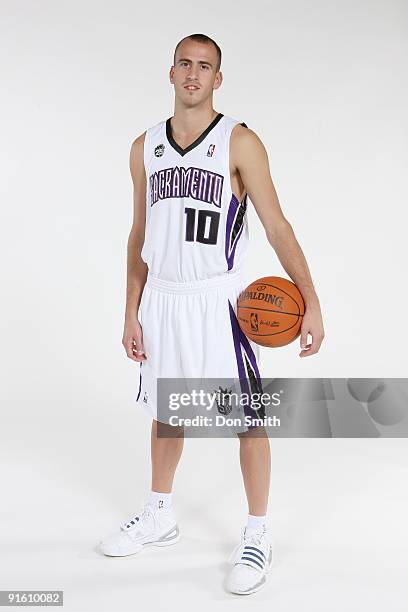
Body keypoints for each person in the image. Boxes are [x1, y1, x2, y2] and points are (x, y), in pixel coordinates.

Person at [98, 33, 325, 595]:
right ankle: (160, 514)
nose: (194, 75)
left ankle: (257, 531)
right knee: (167, 412)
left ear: (218, 79)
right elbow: (138, 235)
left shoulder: (239, 142)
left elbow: (276, 226)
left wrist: (311, 300)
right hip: (164, 298)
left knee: (247, 417)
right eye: (185, 64)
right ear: (170, 72)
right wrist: (131, 311)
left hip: (218, 299)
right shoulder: (143, 147)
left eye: (206, 67)